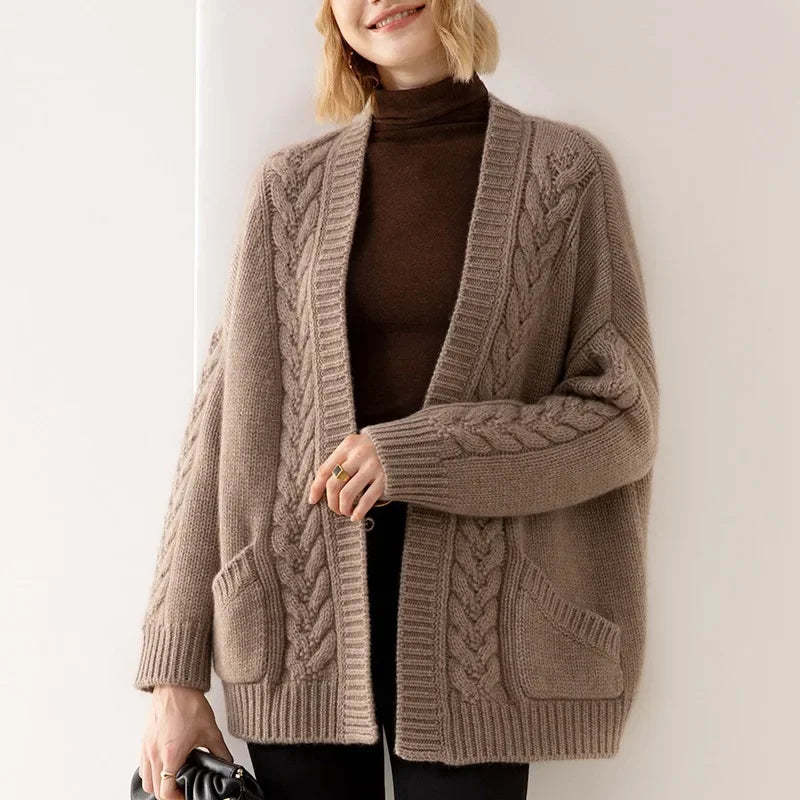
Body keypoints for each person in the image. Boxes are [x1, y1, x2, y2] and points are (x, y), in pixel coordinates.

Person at [134, 2, 660, 799]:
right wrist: (173, 675)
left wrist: (416, 454)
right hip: (296, 628)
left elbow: (622, 418)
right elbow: (219, 429)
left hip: (482, 636)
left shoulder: (566, 173)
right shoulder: (289, 189)